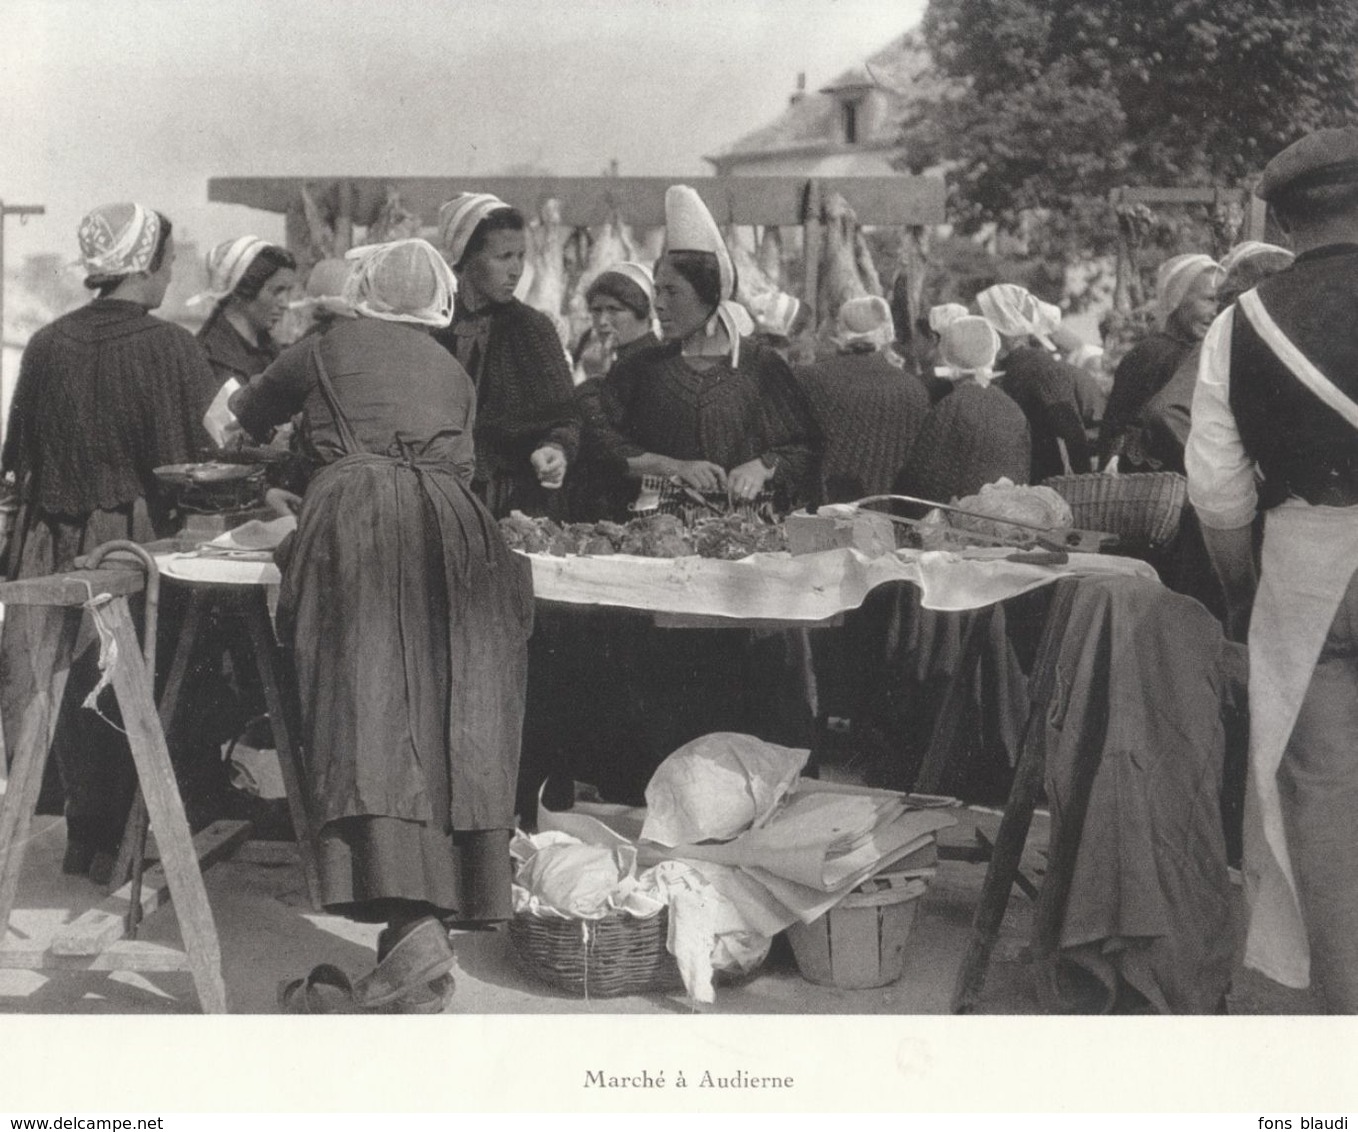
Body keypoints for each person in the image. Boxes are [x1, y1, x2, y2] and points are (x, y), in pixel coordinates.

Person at [227, 239, 534, 1012]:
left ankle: (407, 925)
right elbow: (456, 461)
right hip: (460, 534)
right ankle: (421, 929)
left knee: (368, 712)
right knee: (446, 718)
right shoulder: (453, 370)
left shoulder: (324, 347)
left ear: (367, 293)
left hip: (362, 524)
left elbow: (245, 413)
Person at [1185, 125, 1358, 1014]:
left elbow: (1217, 492)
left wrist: (1243, 590)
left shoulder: (1238, 323)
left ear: (1283, 222)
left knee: (1321, 794)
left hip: (1304, 561)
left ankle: (1340, 1012)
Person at [0, 202, 215, 880]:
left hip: (47, 540)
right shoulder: (172, 348)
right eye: (169, 265)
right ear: (146, 266)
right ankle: (121, 846)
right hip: (130, 541)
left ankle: (79, 837)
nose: (170, 278)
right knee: (128, 688)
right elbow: (200, 458)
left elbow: (17, 457)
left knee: (52, 693)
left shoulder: (46, 344)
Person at [592, 186, 819, 513]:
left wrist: (763, 465)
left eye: (671, 292)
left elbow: (805, 448)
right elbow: (601, 444)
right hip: (656, 535)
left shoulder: (762, 367)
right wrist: (672, 466)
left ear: (709, 295)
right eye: (657, 291)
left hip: (743, 540)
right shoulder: (641, 368)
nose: (658, 305)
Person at [433, 193, 580, 518]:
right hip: (438, 498)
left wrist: (554, 448)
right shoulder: (433, 327)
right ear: (465, 257)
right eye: (503, 257)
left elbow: (565, 417)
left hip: (512, 501)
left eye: (521, 256)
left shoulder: (533, 330)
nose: (516, 270)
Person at [792, 295, 928, 504]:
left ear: (839, 330)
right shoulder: (914, 389)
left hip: (818, 512)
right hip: (886, 518)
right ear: (887, 331)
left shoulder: (809, 378)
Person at [1101, 253, 1222, 464]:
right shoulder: (1174, 355)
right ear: (1177, 298)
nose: (1215, 312)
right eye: (1209, 300)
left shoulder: (1142, 351)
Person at [899, 313, 1031, 502]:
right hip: (1007, 515)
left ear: (947, 354)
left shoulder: (951, 407)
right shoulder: (1012, 408)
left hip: (960, 516)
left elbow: (923, 474)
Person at [977, 283, 1094, 482]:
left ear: (999, 325)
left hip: (1040, 481)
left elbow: (1071, 432)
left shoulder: (1039, 368)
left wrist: (1084, 483)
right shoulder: (1008, 367)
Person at [570, 262, 660, 520]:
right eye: (596, 311)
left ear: (642, 312)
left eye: (614, 310)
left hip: (631, 500)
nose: (602, 322)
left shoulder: (652, 363)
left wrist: (595, 379)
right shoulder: (618, 359)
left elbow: (608, 439)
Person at [191, 236, 298, 405]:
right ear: (244, 289)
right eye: (277, 291)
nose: (285, 303)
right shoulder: (204, 358)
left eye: (288, 292)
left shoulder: (274, 353)